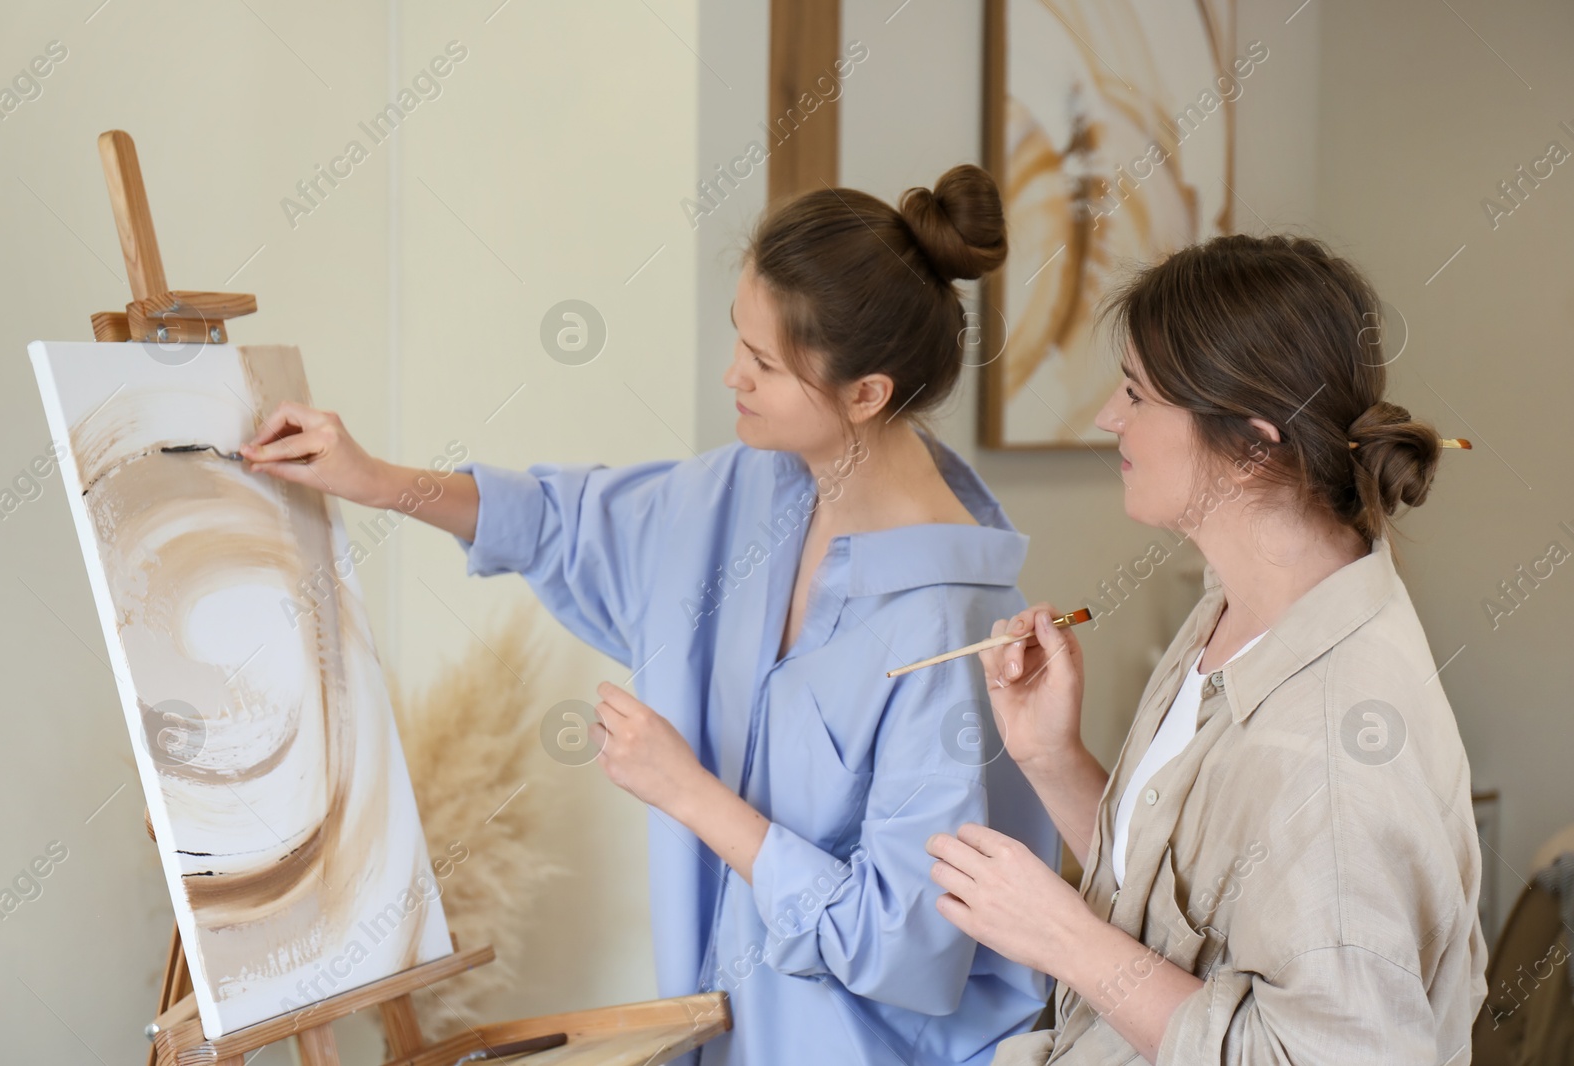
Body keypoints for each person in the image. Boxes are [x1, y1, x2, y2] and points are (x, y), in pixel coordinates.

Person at [240, 164, 1060, 1065]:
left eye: (764, 363)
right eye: (737, 341)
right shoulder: (742, 494)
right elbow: (563, 523)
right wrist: (380, 481)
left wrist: (689, 793)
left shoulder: (958, 631)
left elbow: (899, 943)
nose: (731, 375)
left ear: (866, 394)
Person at [926, 234, 1488, 1064]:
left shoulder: (1333, 753)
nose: (1107, 419)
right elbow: (1189, 919)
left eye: (1136, 395)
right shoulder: (1237, 612)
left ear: (1254, 444)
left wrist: (1063, 937)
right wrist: (1051, 757)